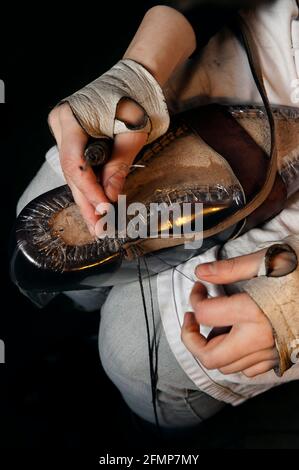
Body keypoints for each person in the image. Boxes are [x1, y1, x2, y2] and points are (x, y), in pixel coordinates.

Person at [17, 0, 299, 429]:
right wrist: (138, 73)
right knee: (48, 227)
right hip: (273, 48)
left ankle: (128, 399)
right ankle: (77, 317)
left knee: (131, 353)